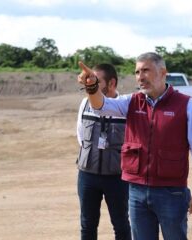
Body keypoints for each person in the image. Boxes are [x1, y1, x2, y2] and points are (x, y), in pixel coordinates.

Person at [77, 52, 192, 240]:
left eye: (146, 70)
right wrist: (91, 86)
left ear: (163, 72)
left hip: (171, 193)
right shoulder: (132, 101)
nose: (140, 77)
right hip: (137, 192)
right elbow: (101, 106)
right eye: (137, 72)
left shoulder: (187, 105)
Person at [76, 63, 131, 240]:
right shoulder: (85, 103)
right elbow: (80, 135)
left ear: (112, 83)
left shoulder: (125, 107)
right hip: (87, 176)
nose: (91, 83)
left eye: (96, 80)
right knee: (87, 225)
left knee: (121, 224)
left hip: (117, 178)